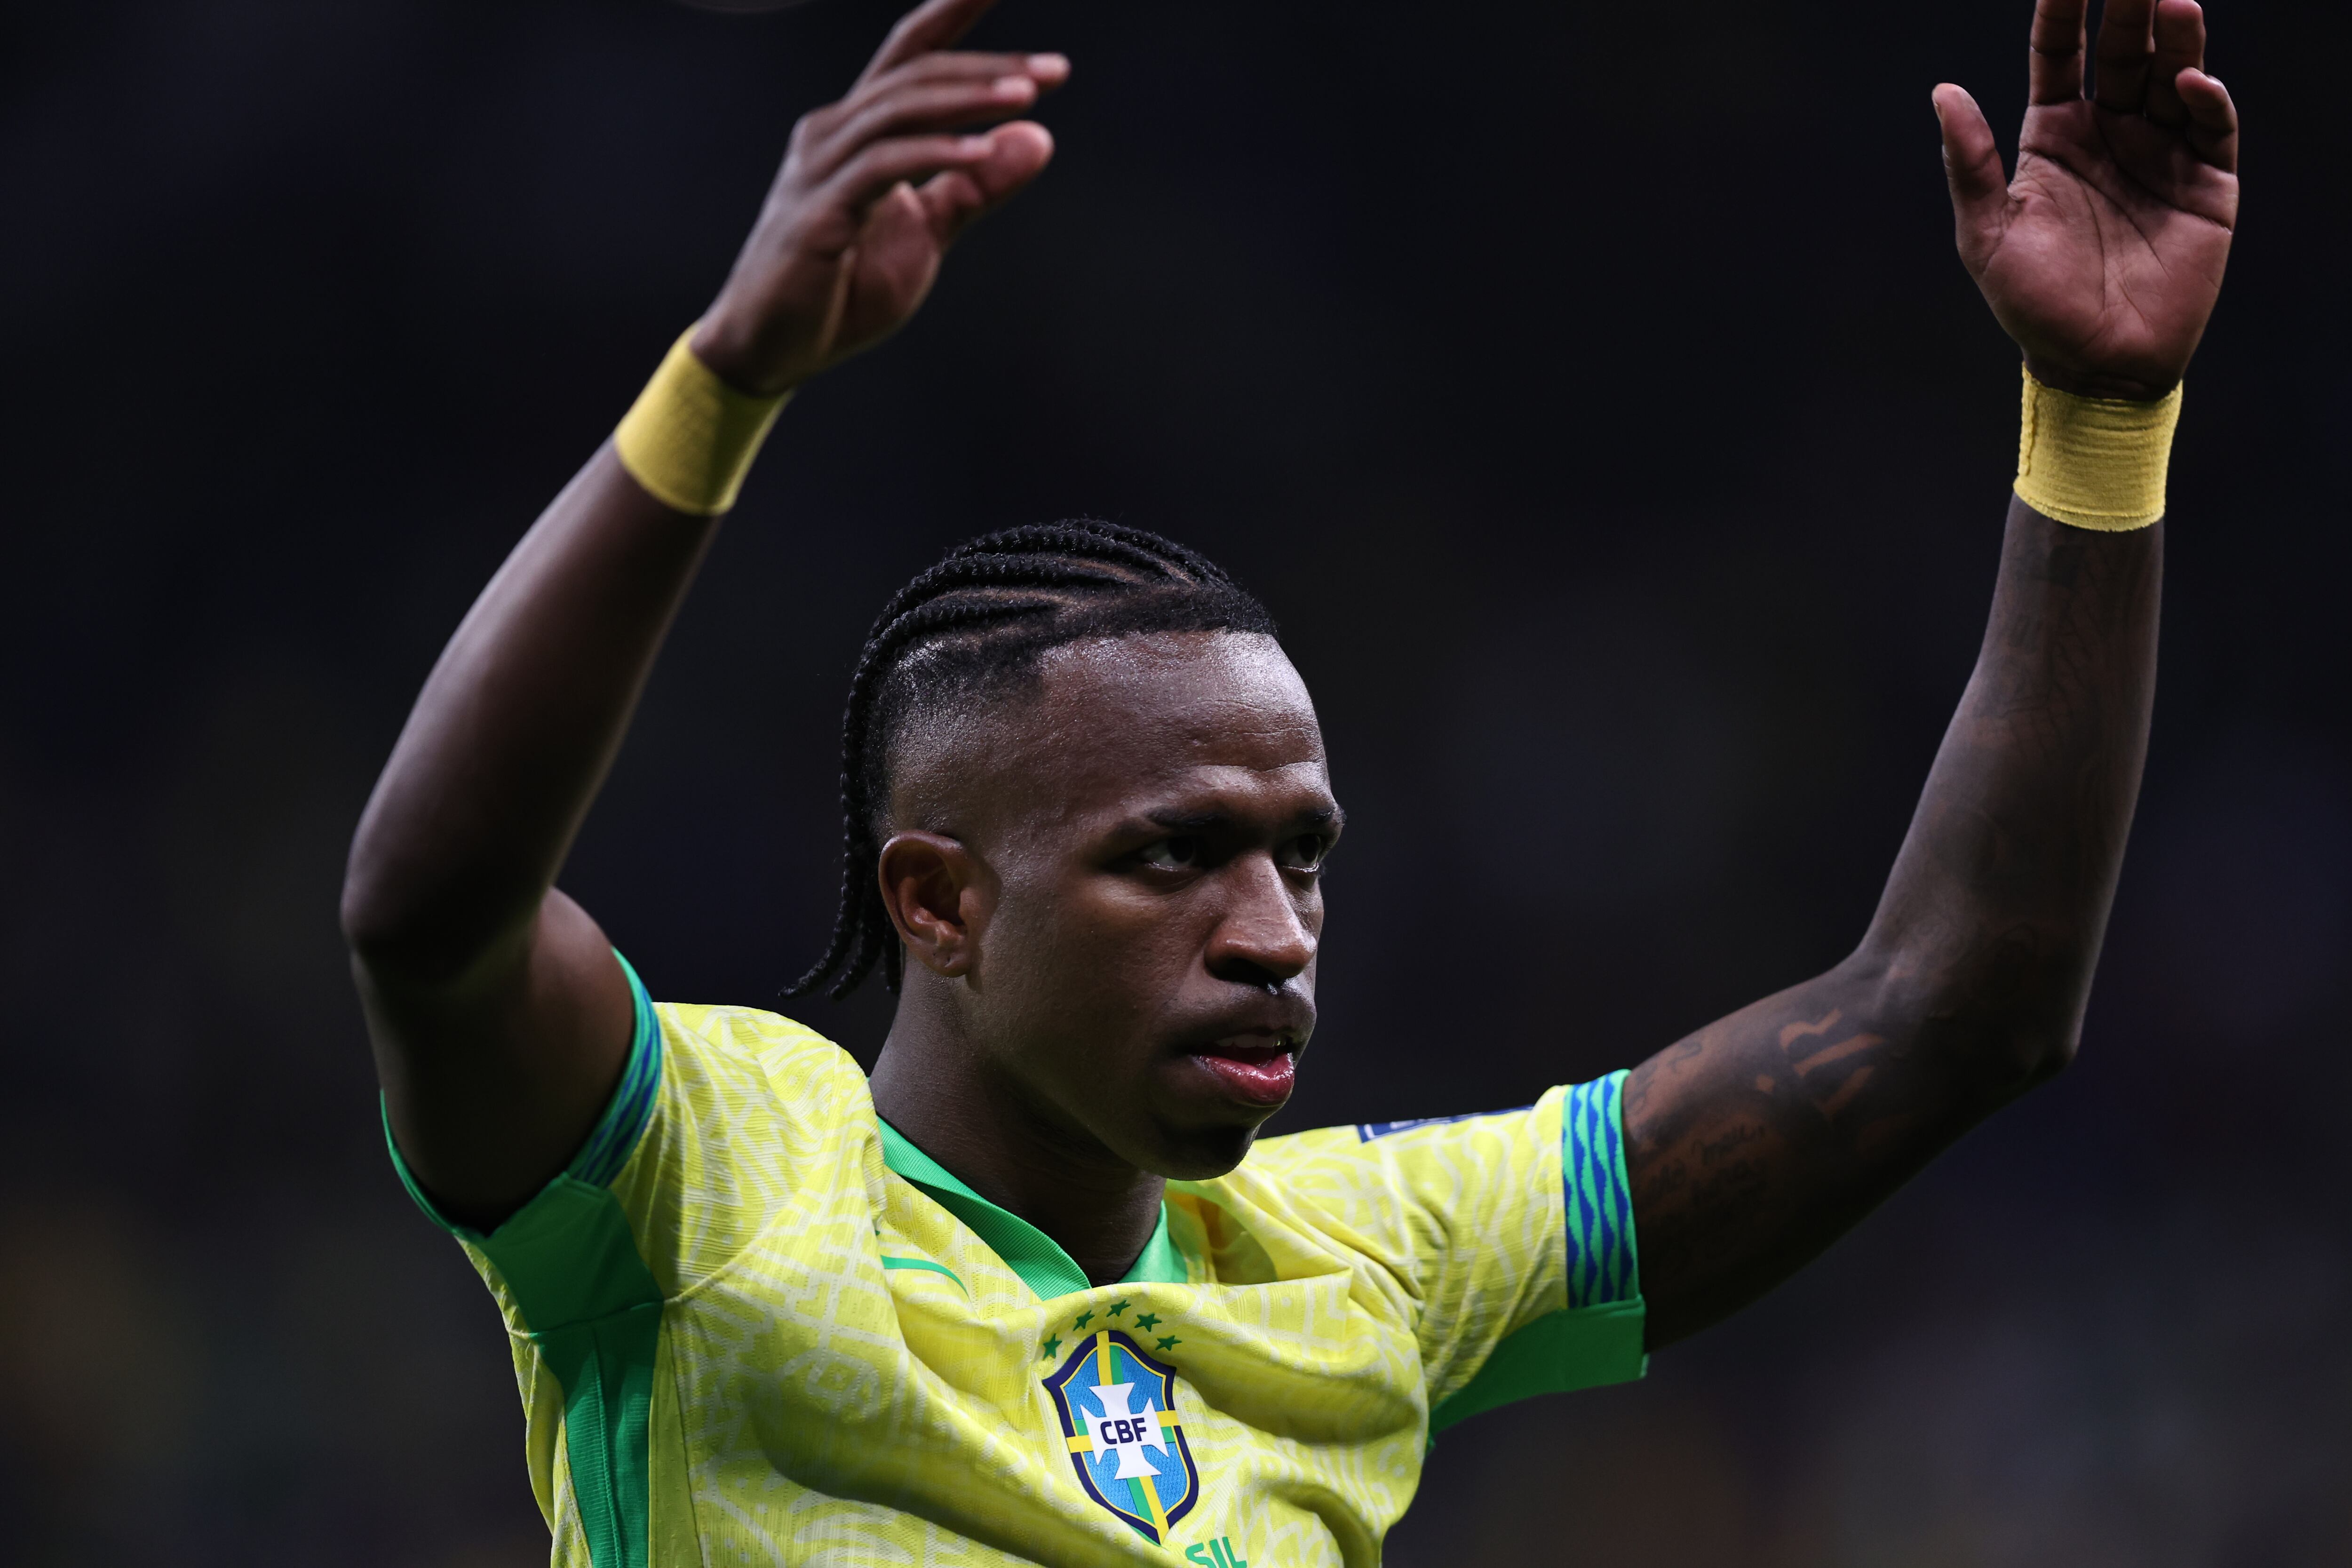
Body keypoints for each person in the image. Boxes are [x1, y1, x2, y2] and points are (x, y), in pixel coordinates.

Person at [338, 0, 2239, 1559]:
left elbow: (1948, 1013)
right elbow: (429, 919)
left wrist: (2094, 423)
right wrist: (725, 385)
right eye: (1172, 856)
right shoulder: (702, 1183)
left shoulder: (1366, 1259)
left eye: (1301, 857)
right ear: (938, 899)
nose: (1271, 936)